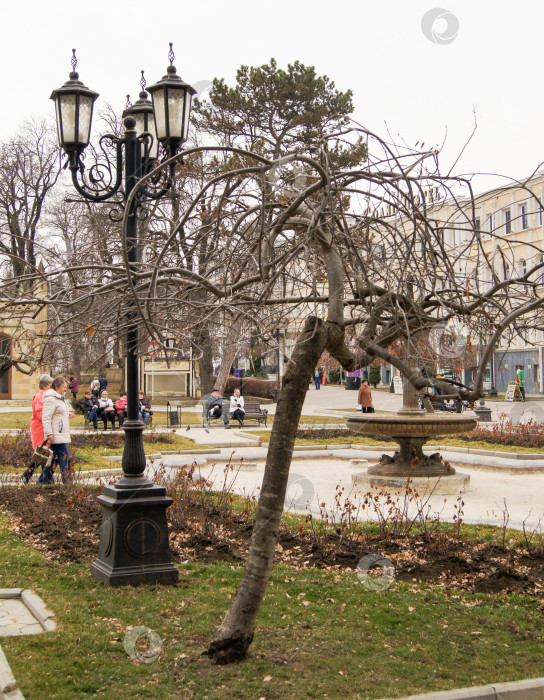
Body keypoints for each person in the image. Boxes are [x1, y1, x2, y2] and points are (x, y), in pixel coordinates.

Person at [40, 376, 75, 484]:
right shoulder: (51, 398)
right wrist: (49, 433)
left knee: (55, 460)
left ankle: (43, 480)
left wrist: (66, 414)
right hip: (56, 435)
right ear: (56, 386)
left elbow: (57, 414)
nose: (65, 389)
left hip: (59, 433)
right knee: (65, 458)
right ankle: (68, 482)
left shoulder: (59, 398)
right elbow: (46, 417)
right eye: (64, 387)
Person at [22, 374, 53, 484]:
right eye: (50, 385)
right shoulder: (40, 396)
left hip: (44, 427)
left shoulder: (46, 395)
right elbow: (40, 413)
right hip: (40, 428)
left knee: (45, 453)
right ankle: (30, 475)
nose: (52, 387)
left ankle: (40, 477)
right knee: (42, 452)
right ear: (44, 386)